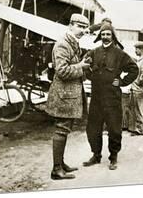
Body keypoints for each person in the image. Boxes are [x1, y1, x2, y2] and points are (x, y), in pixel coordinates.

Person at [83, 23, 138, 170]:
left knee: (114, 129)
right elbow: (85, 67)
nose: (105, 37)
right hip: (96, 98)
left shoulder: (120, 55)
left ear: (113, 36)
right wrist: (89, 74)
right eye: (103, 34)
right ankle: (96, 155)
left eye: (108, 34)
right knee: (93, 128)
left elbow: (134, 69)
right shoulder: (93, 52)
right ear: (99, 36)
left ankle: (113, 157)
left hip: (112, 99)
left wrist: (121, 81)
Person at [46, 13, 91, 180]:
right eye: (79, 26)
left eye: (84, 28)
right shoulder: (63, 44)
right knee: (61, 129)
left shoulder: (73, 43)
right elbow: (62, 71)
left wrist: (82, 64)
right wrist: (81, 66)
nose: (82, 31)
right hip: (63, 95)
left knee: (64, 129)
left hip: (68, 94)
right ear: (70, 25)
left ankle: (60, 163)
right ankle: (56, 169)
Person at [129, 42, 143, 136]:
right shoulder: (140, 60)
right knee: (135, 109)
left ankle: (140, 129)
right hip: (136, 88)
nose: (135, 51)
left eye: (136, 49)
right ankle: (136, 128)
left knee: (139, 109)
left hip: (139, 89)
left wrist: (138, 83)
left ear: (141, 49)